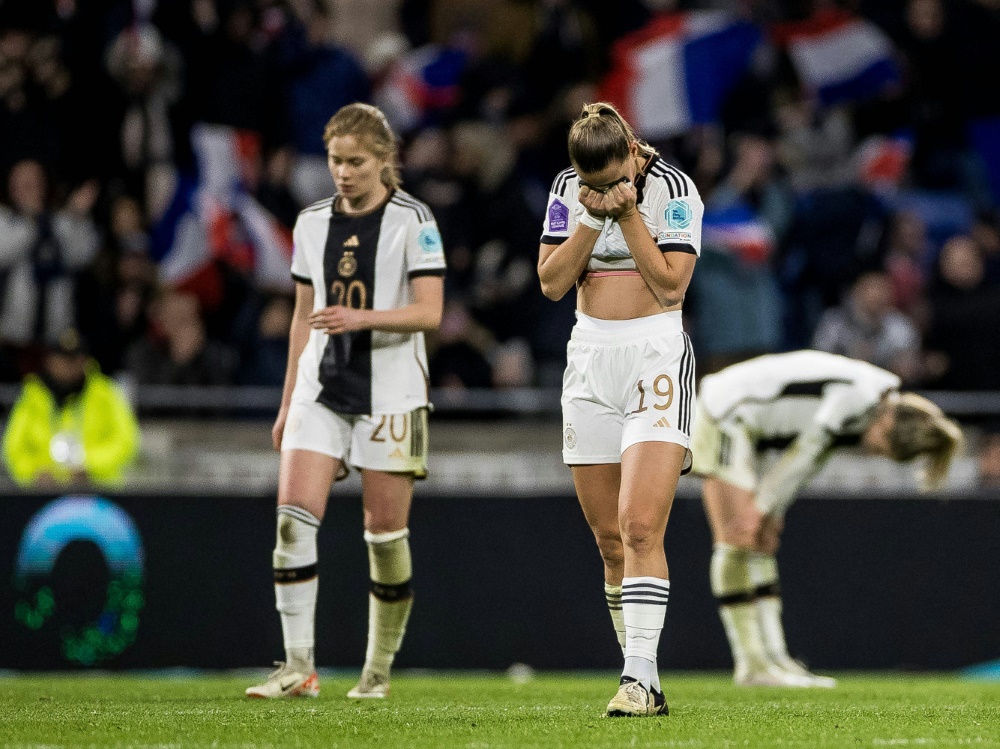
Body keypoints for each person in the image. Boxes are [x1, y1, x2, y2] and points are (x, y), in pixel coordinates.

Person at [246, 103, 445, 700]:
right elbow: (304, 318)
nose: (344, 172)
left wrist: (362, 318)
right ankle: (298, 667)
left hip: (392, 391)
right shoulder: (310, 223)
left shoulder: (415, 220)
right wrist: (287, 404)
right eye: (336, 160)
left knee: (384, 537)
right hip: (320, 388)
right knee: (292, 521)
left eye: (356, 161)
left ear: (386, 161)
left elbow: (430, 312)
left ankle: (377, 669)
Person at [537, 102, 703, 717]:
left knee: (639, 524)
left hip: (654, 354)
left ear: (633, 151)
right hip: (589, 357)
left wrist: (628, 213)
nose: (604, 192)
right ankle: (642, 678)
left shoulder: (675, 190)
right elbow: (552, 283)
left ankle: (639, 679)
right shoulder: (567, 191)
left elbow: (670, 285)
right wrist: (588, 216)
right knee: (610, 542)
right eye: (592, 184)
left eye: (613, 180)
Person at [690, 350, 963, 687]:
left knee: (761, 540)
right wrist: (762, 507)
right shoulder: (859, 395)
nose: (871, 451)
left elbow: (814, 457)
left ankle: (775, 658)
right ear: (889, 423)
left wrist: (773, 508)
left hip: (753, 429)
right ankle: (751, 664)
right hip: (725, 411)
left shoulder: (874, 398)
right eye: (880, 447)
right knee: (737, 538)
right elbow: (808, 448)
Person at [2, 329, 140, 487]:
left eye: (75, 359)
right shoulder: (32, 395)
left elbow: (126, 441)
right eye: (63, 359)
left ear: (86, 360)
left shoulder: (105, 393)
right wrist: (35, 471)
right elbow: (13, 448)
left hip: (99, 493)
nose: (69, 366)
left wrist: (90, 466)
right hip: (41, 493)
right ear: (49, 361)